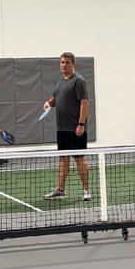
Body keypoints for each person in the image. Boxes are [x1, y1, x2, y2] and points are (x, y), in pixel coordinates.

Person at [42, 52, 91, 201]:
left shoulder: (78, 81)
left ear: (73, 64)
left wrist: (81, 124)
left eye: (67, 63)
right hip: (61, 128)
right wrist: (49, 103)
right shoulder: (59, 82)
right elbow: (57, 97)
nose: (64, 65)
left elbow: (84, 103)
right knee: (63, 159)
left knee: (79, 159)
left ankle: (86, 191)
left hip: (75, 129)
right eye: (62, 62)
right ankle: (60, 190)